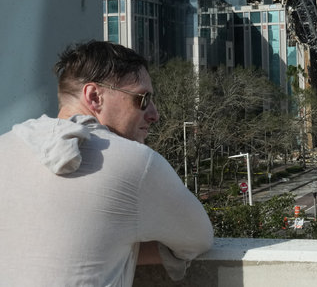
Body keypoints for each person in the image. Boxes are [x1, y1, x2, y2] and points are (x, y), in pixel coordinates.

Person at [0, 41, 214, 285]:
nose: (154, 114)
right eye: (143, 99)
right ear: (94, 96)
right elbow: (199, 239)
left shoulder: (5, 147)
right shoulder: (135, 162)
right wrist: (127, 248)